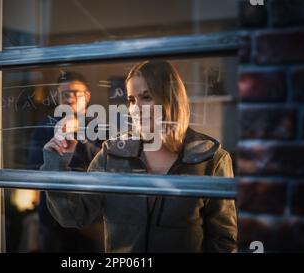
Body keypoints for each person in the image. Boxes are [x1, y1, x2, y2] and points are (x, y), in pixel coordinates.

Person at [41, 60, 238, 253]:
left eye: (146, 97)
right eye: (131, 100)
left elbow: (223, 240)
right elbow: (75, 216)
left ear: (170, 99)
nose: (135, 109)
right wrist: (56, 165)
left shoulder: (211, 159)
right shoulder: (112, 153)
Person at [27, 71, 103, 252]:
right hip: (52, 218)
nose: (71, 99)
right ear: (57, 97)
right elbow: (34, 173)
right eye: (64, 94)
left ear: (87, 96)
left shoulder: (101, 129)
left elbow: (107, 169)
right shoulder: (44, 129)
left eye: (77, 93)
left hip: (91, 217)